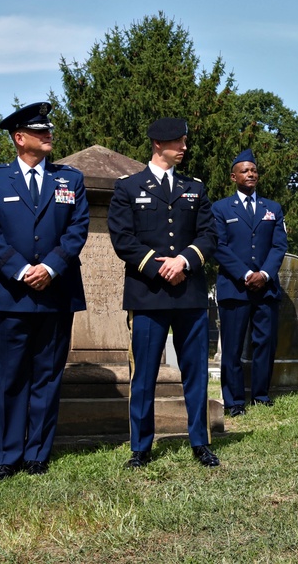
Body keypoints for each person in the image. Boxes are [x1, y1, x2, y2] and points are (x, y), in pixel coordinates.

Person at [0, 101, 89, 480]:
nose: (48, 134)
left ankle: (38, 454)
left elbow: (77, 230)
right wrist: (23, 270)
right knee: (13, 376)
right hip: (13, 293)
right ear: (20, 138)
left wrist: (51, 267)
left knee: (47, 376)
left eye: (48, 130)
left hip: (57, 292)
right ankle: (8, 456)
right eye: (40, 131)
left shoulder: (70, 180)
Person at [107, 117, 219, 468]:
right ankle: (141, 447)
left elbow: (208, 236)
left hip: (189, 293)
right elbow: (123, 240)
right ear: (159, 144)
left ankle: (200, 442)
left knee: (196, 371)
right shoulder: (128, 187)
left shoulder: (195, 188)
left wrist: (184, 261)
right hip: (148, 294)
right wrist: (159, 266)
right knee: (144, 374)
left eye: (184, 141)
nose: (184, 147)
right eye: (178, 142)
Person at [211, 149, 289, 417]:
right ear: (234, 176)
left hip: (266, 289)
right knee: (232, 347)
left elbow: (279, 246)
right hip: (234, 288)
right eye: (245, 170)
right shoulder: (220, 208)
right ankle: (234, 402)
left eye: (254, 170)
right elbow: (218, 247)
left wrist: (264, 274)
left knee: (264, 344)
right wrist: (246, 274)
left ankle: (261, 395)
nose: (251, 174)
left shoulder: (273, 209)